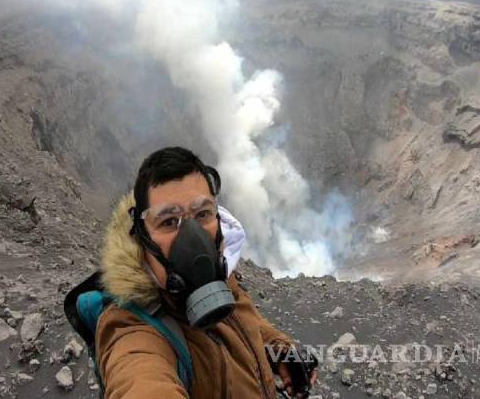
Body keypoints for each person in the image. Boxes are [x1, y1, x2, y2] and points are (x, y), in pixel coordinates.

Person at [96, 146, 317, 398]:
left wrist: (281, 351)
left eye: (202, 214)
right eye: (168, 221)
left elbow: (244, 325)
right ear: (142, 238)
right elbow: (140, 379)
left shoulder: (221, 281)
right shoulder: (132, 328)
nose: (193, 236)